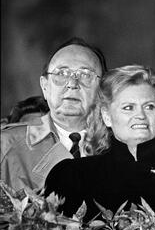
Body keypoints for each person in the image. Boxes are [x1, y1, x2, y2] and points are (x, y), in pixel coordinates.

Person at [45, 65, 155, 221]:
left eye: (149, 107)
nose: (141, 115)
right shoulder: (71, 176)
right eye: (128, 108)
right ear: (106, 116)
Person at [1, 37, 107, 191]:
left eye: (85, 75)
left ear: (103, 90)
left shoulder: (123, 146)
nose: (72, 84)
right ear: (45, 87)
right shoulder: (6, 146)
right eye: (62, 73)